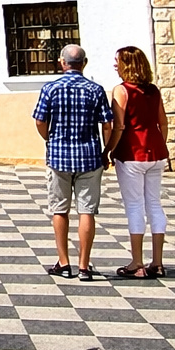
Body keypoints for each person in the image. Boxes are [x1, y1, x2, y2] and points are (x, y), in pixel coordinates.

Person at [33, 44, 115, 281]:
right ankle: (85, 265)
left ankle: (64, 262)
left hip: (59, 157)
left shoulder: (51, 88)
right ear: (84, 63)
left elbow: (39, 120)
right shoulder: (95, 90)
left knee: (59, 209)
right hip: (89, 156)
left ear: (62, 62)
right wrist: (106, 150)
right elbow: (107, 124)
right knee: (87, 211)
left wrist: (50, 138)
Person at [106, 45, 170, 278]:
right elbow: (163, 123)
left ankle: (137, 262)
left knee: (134, 205)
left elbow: (119, 125)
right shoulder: (153, 90)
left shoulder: (121, 91)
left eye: (118, 61)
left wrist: (109, 150)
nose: (115, 65)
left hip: (132, 152)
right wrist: (159, 143)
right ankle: (158, 262)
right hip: (156, 151)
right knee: (154, 203)